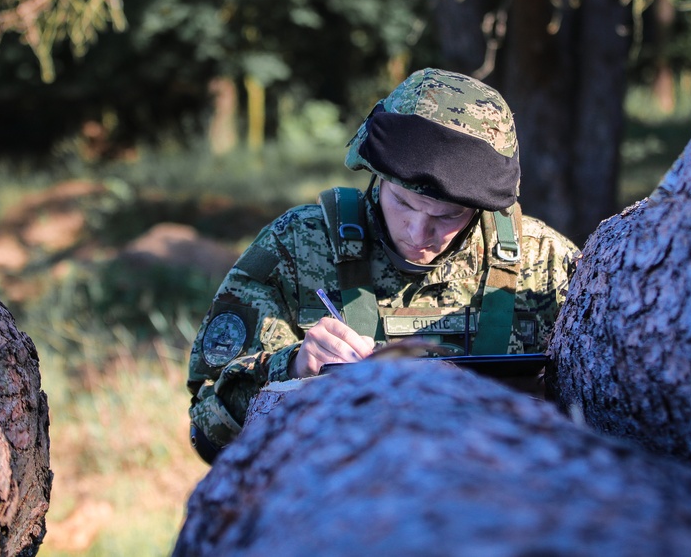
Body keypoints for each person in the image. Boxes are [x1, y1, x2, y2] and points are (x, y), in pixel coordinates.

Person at [187, 68, 579, 463]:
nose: (418, 231)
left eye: (448, 216)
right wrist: (291, 369)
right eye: (404, 202)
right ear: (375, 176)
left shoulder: (544, 263)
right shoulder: (298, 248)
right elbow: (209, 431)